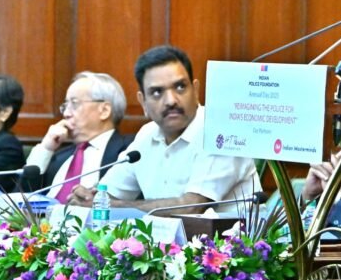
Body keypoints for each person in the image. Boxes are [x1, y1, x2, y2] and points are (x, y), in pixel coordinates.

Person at [68, 45, 260, 214]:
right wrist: (88, 197)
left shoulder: (222, 131)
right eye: (157, 92)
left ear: (195, 91)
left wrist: (108, 205)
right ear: (143, 102)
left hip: (232, 242)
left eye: (180, 87)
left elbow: (192, 206)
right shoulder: (147, 135)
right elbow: (108, 193)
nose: (171, 101)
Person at [24, 72, 134, 202]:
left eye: (74, 104)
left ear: (104, 111)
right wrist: (45, 148)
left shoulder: (129, 152)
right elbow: (20, 199)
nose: (66, 113)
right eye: (65, 106)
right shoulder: (58, 157)